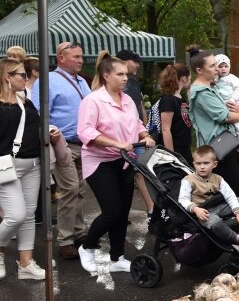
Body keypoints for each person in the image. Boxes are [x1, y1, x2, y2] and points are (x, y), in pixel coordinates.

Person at [77, 51, 155, 274]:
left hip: (124, 162)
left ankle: (117, 257)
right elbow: (85, 132)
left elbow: (137, 124)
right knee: (112, 212)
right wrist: (118, 143)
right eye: (119, 74)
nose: (125, 78)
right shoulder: (92, 101)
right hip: (99, 163)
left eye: (125, 74)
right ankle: (87, 246)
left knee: (122, 213)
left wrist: (144, 135)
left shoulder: (128, 100)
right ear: (105, 76)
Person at [31, 41, 90, 260]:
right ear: (61, 58)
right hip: (61, 143)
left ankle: (78, 232)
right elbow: (36, 112)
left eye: (81, 56)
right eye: (75, 56)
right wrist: (47, 132)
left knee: (80, 188)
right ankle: (65, 240)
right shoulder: (46, 81)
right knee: (71, 188)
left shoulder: (82, 81)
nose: (80, 60)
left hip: (83, 144)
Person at [0, 58, 53, 280]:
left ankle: (25, 263)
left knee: (29, 215)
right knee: (16, 215)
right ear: (7, 78)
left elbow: (35, 127)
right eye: (21, 74)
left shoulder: (25, 101)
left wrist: (49, 132)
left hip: (33, 164)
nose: (26, 77)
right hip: (7, 167)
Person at [187, 46, 239, 199]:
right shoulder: (202, 93)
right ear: (199, 70)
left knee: (229, 194)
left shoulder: (209, 87)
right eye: (212, 65)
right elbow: (225, 116)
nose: (217, 69)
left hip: (223, 146)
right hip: (218, 149)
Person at [179, 145, 239, 245]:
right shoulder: (188, 180)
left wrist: (237, 212)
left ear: (214, 164)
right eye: (198, 163)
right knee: (214, 222)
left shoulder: (218, 179)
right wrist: (195, 209)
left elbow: (230, 195)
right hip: (203, 212)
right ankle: (237, 239)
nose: (202, 166)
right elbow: (183, 199)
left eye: (206, 163)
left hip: (218, 206)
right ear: (194, 164)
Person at [116, 49, 155, 222]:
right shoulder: (118, 86)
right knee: (134, 173)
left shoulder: (134, 82)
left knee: (140, 171)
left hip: (138, 135)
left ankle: (151, 209)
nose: (138, 65)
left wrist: (144, 129)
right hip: (123, 139)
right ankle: (148, 209)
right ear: (123, 61)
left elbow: (138, 106)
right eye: (135, 61)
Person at [156, 63, 193, 165]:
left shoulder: (181, 98)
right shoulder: (168, 99)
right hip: (175, 150)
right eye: (190, 78)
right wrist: (172, 155)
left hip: (184, 148)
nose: (190, 81)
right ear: (184, 78)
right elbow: (165, 129)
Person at [214, 54, 239, 150]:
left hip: (231, 103)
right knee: (227, 123)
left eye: (226, 66)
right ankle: (231, 142)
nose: (223, 69)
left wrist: (233, 99)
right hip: (222, 104)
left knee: (235, 122)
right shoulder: (216, 79)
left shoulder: (233, 79)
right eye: (220, 66)